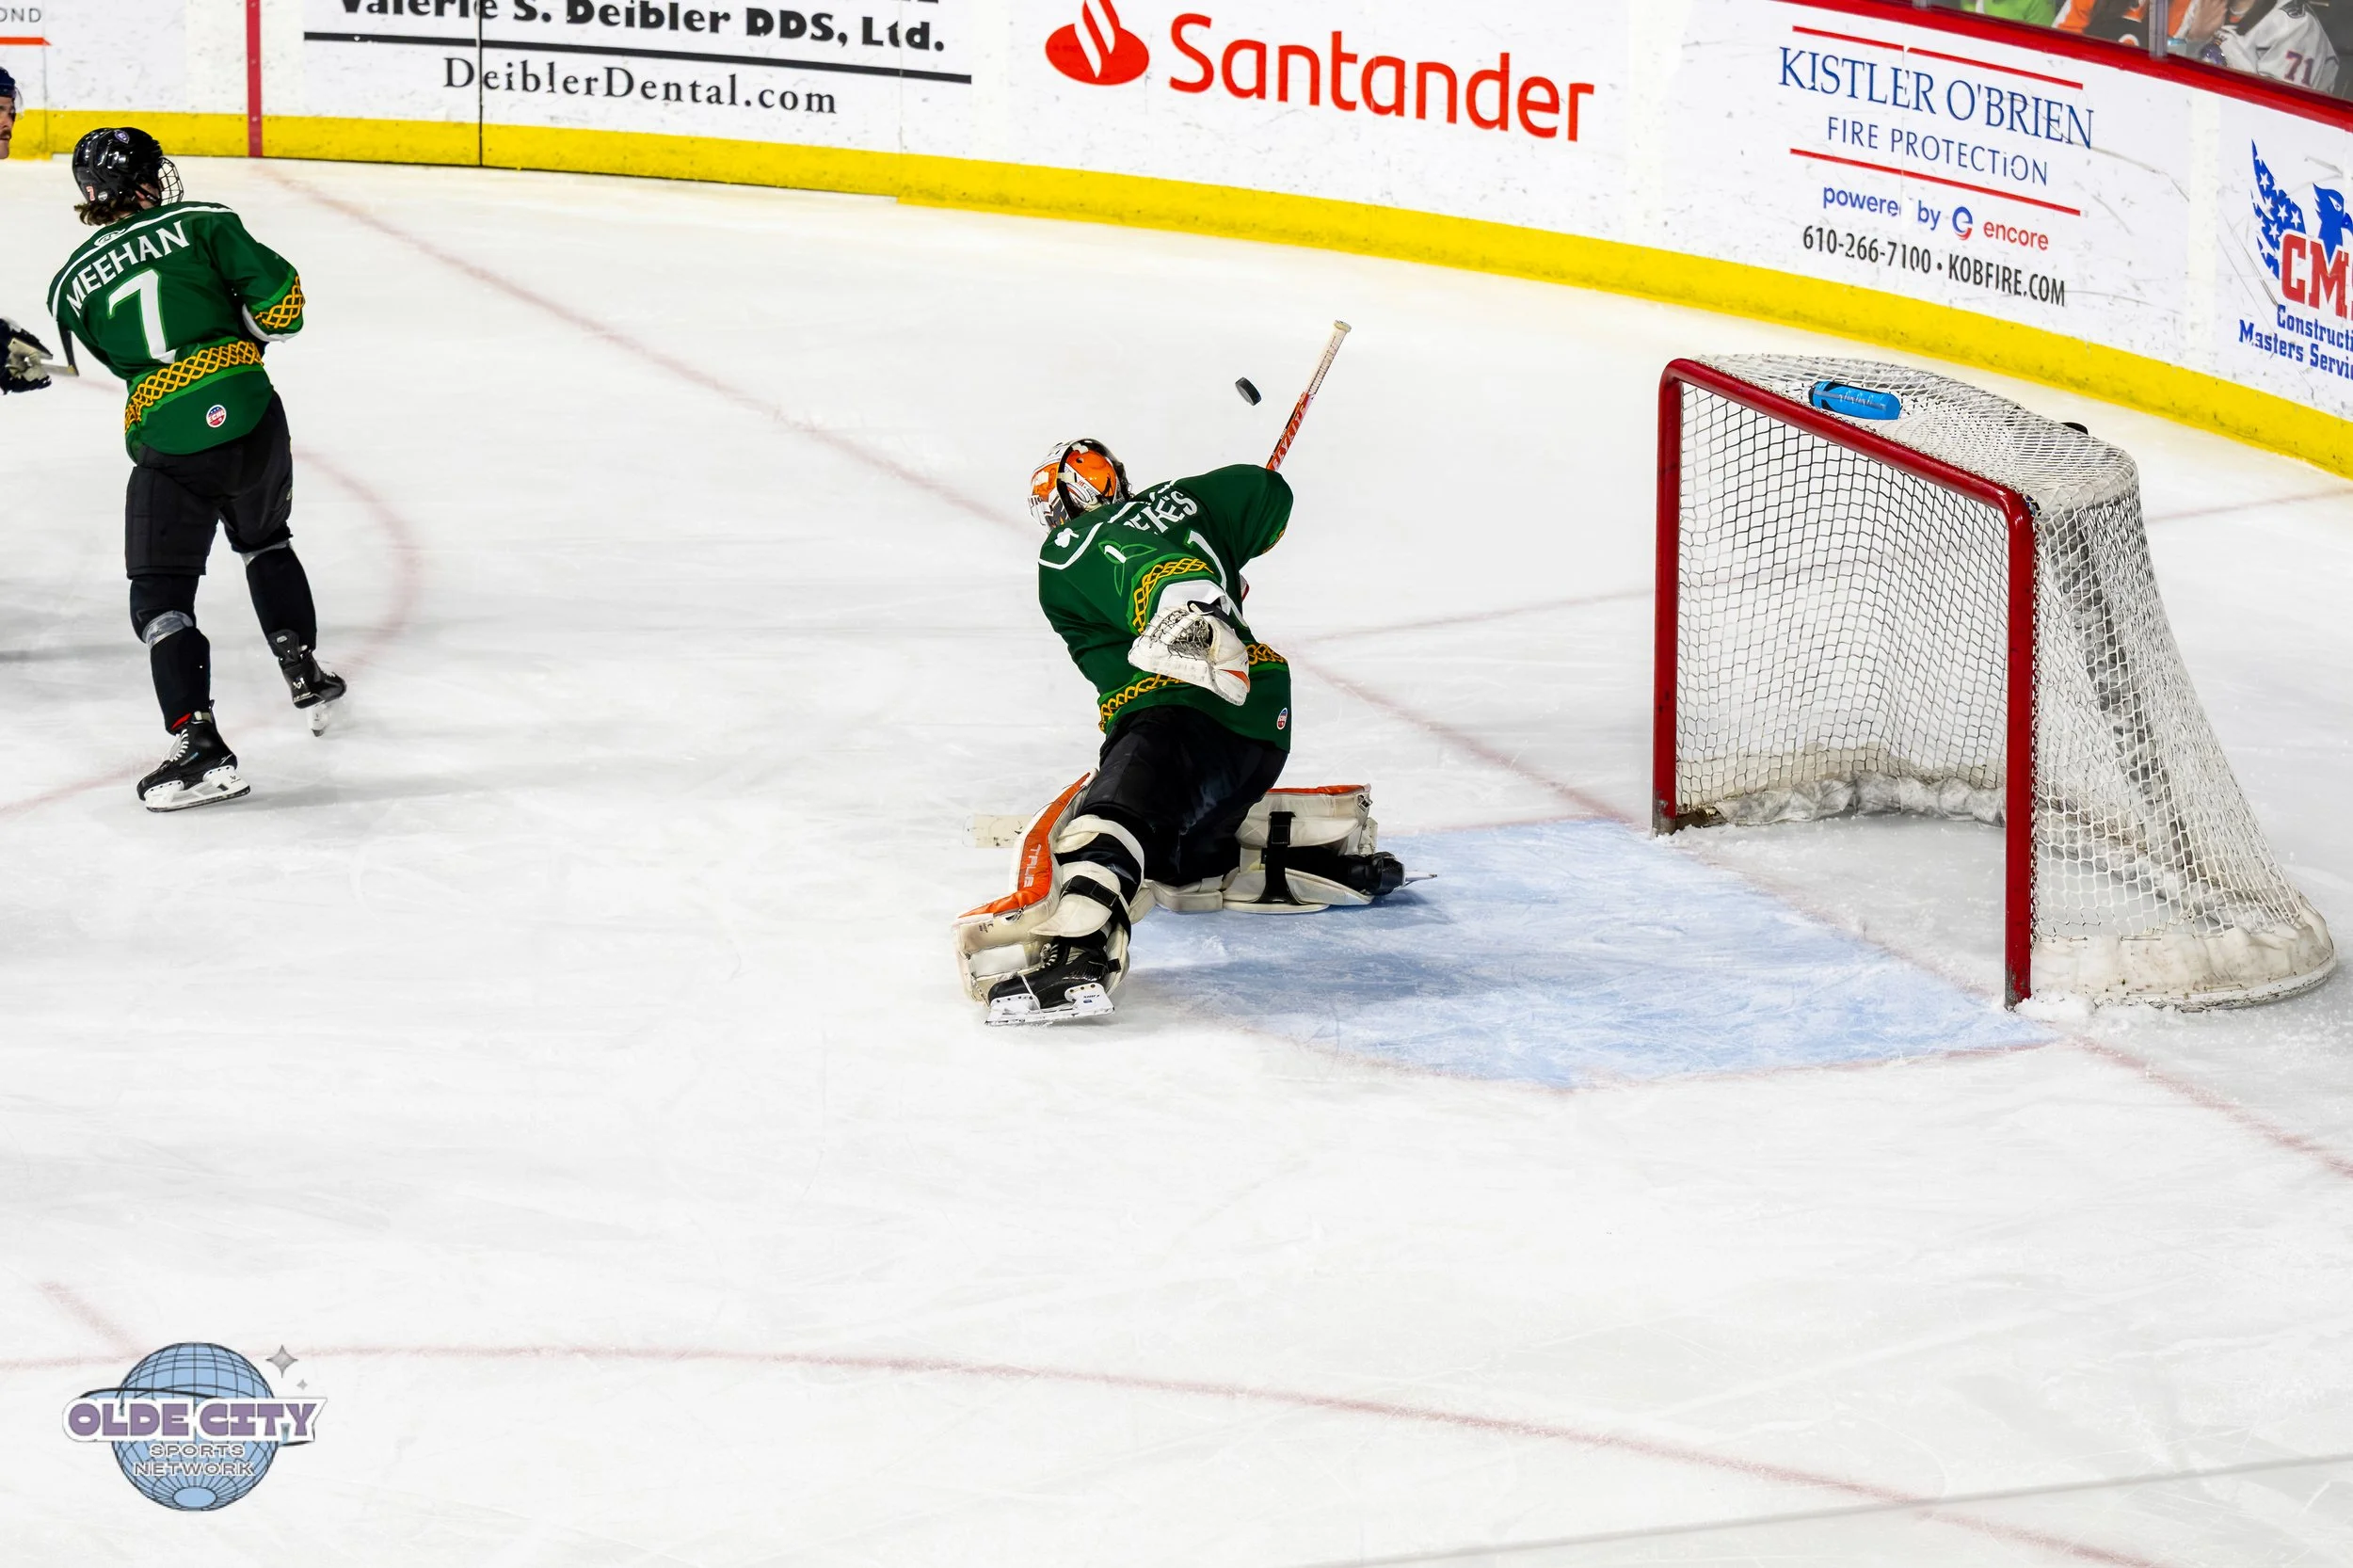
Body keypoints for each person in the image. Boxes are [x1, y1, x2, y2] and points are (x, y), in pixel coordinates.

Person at [981, 440, 1402, 1024]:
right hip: (1259, 726)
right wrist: (1253, 491)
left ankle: (1079, 952)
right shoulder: (1184, 502)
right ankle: (1293, 862)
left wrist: (1189, 611)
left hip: (1181, 706)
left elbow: (1138, 565)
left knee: (1114, 813)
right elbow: (1265, 497)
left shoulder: (1067, 546)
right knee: (1183, 865)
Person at [44, 126, 344, 811]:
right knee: (265, 540)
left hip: (173, 442)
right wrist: (246, 336)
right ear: (142, 183)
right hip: (254, 414)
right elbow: (284, 304)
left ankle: (198, 743)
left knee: (159, 597)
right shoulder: (205, 221)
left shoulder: (68, 287)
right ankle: (303, 669)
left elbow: (125, 362)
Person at [2176, 0, 2340, 91]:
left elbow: (2278, 114)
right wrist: (2195, 38)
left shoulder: (2296, 25)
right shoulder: (2205, 5)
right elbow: (2165, 71)